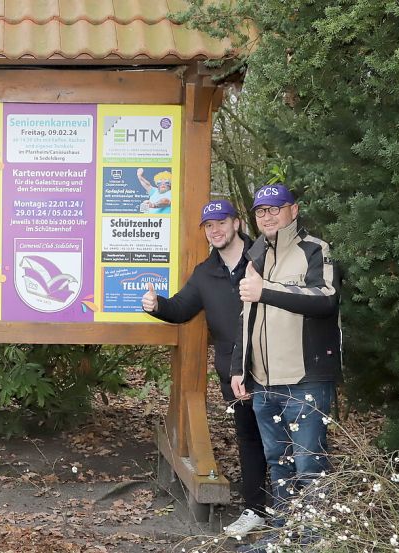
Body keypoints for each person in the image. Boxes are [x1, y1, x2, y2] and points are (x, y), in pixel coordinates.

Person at [141, 199, 268, 536]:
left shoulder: (264, 261)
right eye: (209, 226)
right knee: (249, 439)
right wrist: (157, 306)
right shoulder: (205, 273)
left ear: (236, 224)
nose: (215, 230)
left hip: (275, 368)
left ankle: (295, 508)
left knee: (282, 439)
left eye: (221, 223)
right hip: (233, 371)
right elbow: (182, 308)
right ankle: (256, 509)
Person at [230, 184, 341, 550]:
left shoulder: (315, 249)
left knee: (309, 467)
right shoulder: (256, 252)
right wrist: (239, 369)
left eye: (275, 209)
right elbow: (246, 315)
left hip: (305, 379)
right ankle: (281, 539)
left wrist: (268, 290)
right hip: (263, 383)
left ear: (293, 210)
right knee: (278, 463)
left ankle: (312, 542)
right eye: (260, 211)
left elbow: (325, 299)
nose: (267, 216)